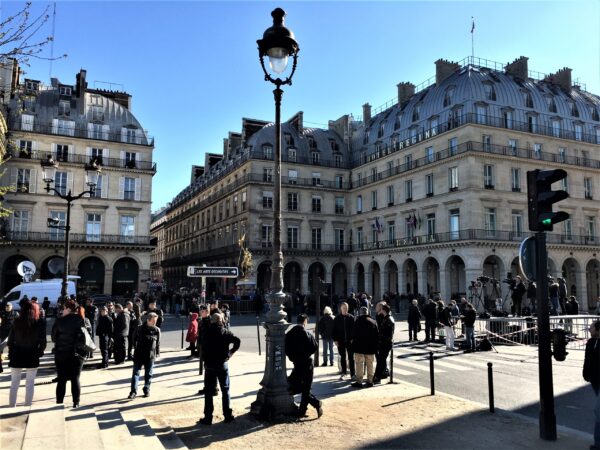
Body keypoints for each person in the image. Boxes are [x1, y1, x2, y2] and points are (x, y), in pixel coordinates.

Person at [199, 313, 240, 425]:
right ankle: (227, 415)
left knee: (208, 392)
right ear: (221, 321)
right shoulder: (225, 332)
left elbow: (202, 347)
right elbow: (237, 341)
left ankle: (208, 417)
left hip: (210, 365)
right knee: (225, 390)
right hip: (222, 363)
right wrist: (231, 352)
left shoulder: (207, 332)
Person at [7, 300, 46, 407]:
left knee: (14, 383)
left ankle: (11, 405)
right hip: (32, 354)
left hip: (17, 353)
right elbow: (43, 341)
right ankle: (27, 405)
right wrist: (40, 352)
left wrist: (11, 352)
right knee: (30, 383)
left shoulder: (16, 321)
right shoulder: (39, 322)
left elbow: (10, 341)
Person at [285, 314, 323, 418]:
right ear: (305, 322)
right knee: (305, 388)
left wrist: (292, 357)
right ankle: (315, 403)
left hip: (297, 364)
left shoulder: (289, 334)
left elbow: (286, 348)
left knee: (294, 386)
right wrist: (306, 354)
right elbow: (314, 346)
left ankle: (302, 411)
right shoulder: (307, 334)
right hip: (306, 363)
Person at [52, 299, 86, 408]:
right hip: (77, 354)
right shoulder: (82, 320)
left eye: (64, 308)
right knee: (75, 378)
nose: (62, 311)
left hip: (62, 353)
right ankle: (76, 403)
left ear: (68, 309)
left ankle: (59, 403)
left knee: (61, 379)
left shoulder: (60, 321)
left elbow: (53, 338)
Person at [128, 312, 161, 399]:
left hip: (150, 356)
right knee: (136, 373)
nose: (155, 323)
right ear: (148, 320)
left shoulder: (157, 330)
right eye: (153, 321)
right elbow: (133, 339)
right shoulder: (139, 328)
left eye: (155, 321)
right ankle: (133, 392)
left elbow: (158, 343)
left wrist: (157, 354)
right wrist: (135, 349)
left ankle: (146, 389)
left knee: (148, 374)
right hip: (139, 354)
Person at [351, 306, 378, 388]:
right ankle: (370, 381)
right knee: (370, 364)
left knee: (359, 364)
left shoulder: (357, 321)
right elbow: (376, 335)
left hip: (359, 347)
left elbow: (353, 334)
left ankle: (359, 381)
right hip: (370, 347)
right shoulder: (373, 322)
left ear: (360, 313)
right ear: (368, 313)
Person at [583, 320, 600, 450]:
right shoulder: (590, 342)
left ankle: (598, 444)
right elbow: (587, 360)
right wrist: (586, 374)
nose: (589, 330)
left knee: (598, 411)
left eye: (591, 328)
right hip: (595, 380)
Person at [332, 302, 355, 381]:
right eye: (344, 308)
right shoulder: (337, 318)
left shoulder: (351, 317)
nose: (345, 309)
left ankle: (353, 374)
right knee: (343, 357)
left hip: (350, 341)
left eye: (346, 308)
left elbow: (354, 330)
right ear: (341, 309)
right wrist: (335, 340)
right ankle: (344, 373)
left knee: (351, 358)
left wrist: (353, 338)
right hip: (340, 341)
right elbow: (333, 330)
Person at [374, 303, 395, 384]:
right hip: (384, 343)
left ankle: (377, 377)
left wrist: (382, 342)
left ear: (384, 310)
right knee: (381, 360)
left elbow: (388, 334)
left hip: (385, 344)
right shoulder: (386, 318)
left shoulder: (388, 319)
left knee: (380, 361)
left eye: (382, 309)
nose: (380, 310)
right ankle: (380, 375)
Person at [0, 302, 18, 373]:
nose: (7, 307)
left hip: (12, 334)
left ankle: (13, 363)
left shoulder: (16, 314)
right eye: (6, 306)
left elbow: (18, 322)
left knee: (12, 349)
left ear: (11, 307)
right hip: (3, 334)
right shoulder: (1, 313)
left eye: (9, 306)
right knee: (0, 350)